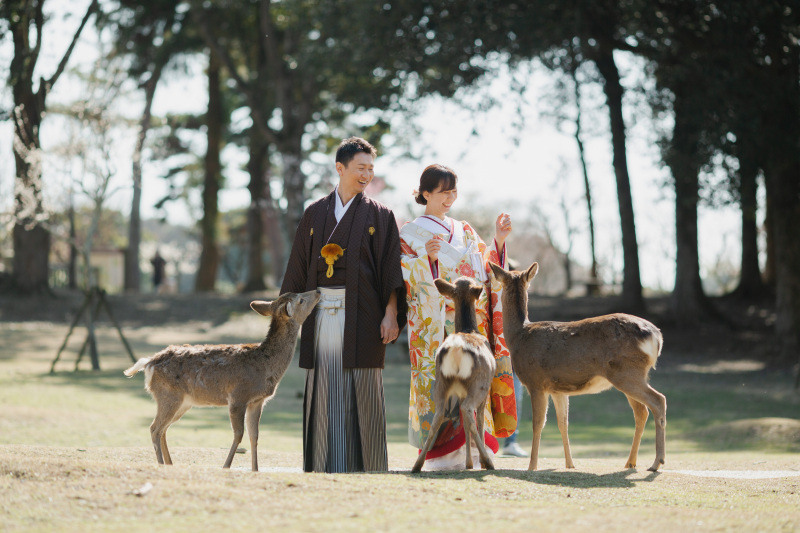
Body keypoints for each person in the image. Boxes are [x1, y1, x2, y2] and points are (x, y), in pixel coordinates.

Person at [281, 136, 407, 473]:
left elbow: (390, 268)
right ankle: (324, 464)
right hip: (321, 310)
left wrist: (391, 313)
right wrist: (287, 315)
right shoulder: (314, 214)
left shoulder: (381, 215)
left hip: (365, 313)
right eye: (360, 168)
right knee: (325, 387)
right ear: (340, 168)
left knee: (363, 385)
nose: (366, 174)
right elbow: (297, 267)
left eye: (371, 168)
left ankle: (369, 467)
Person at [400, 163, 517, 470]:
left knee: (475, 381)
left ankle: (476, 451)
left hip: (469, 321)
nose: (450, 198)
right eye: (443, 192)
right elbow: (406, 277)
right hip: (435, 322)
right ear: (425, 193)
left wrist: (499, 241)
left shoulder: (464, 229)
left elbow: (488, 267)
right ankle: (440, 455)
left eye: (454, 191)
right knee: (440, 385)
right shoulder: (410, 233)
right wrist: (429, 259)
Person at [501, 372, 529, 457]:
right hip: (495, 363)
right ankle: (484, 444)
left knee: (515, 402)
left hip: (515, 369)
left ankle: (509, 443)